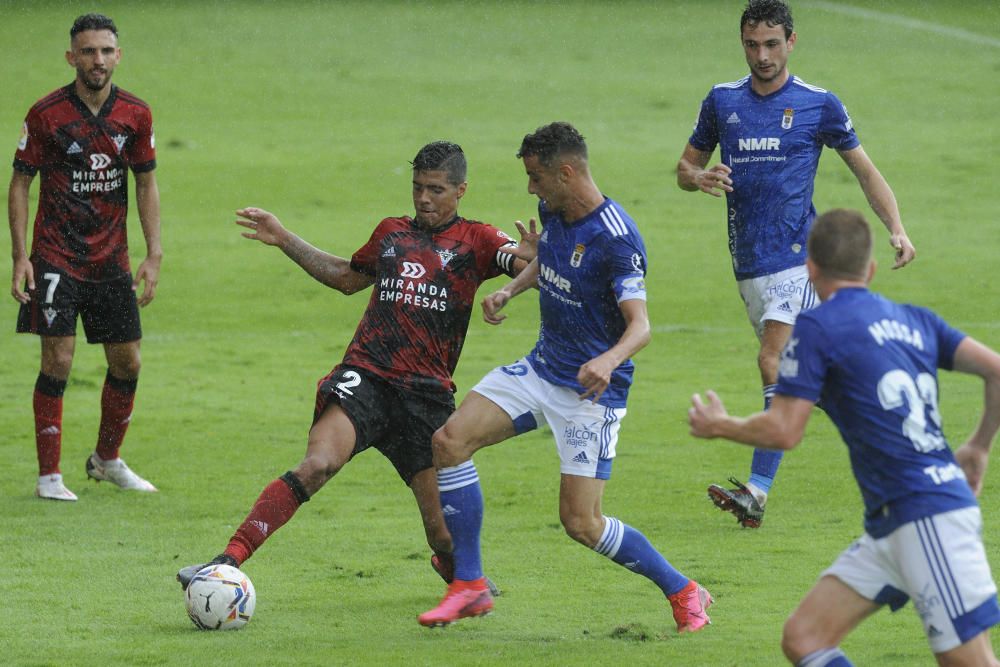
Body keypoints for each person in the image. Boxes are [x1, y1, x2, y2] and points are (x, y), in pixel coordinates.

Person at [176, 141, 530, 594]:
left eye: (436, 190)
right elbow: (346, 278)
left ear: (461, 190)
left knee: (442, 534)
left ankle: (456, 570)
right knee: (317, 465)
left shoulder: (478, 240)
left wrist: (535, 257)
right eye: (418, 187)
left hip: (426, 398)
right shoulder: (391, 233)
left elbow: (522, 262)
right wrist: (284, 238)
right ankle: (224, 562)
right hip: (368, 378)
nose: (424, 198)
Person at [418, 122, 712, 633]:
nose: (530, 188)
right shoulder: (552, 210)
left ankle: (685, 590)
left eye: (536, 177)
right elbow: (550, 258)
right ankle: (469, 585)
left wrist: (608, 359)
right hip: (541, 367)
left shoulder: (617, 239)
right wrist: (513, 290)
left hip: (590, 393)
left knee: (582, 523)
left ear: (567, 172)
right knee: (448, 442)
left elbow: (640, 326)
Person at [688, 208, 1000, 666]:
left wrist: (721, 426)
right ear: (871, 270)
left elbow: (785, 430)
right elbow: (995, 369)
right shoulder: (916, 320)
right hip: (893, 522)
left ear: (810, 271)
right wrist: (977, 445)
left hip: (926, 514)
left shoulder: (817, 326)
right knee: (805, 638)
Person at [676, 0, 917, 528]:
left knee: (773, 361)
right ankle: (897, 434)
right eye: (751, 44)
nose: (761, 55)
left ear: (791, 42)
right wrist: (699, 179)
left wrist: (895, 226)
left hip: (797, 259)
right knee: (814, 383)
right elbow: (685, 167)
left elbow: (866, 172)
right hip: (749, 265)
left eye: (771, 44)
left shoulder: (817, 105)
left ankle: (757, 492)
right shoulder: (722, 101)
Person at [10, 13, 162, 501]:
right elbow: (19, 183)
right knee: (58, 359)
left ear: (118, 55)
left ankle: (106, 459)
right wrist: (19, 256)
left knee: (128, 362)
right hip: (55, 256)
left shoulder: (135, 114)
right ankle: (49, 477)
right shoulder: (46, 114)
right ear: (71, 56)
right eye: (88, 51)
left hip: (111, 260)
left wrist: (154, 252)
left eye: (106, 51)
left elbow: (145, 182)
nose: (97, 60)